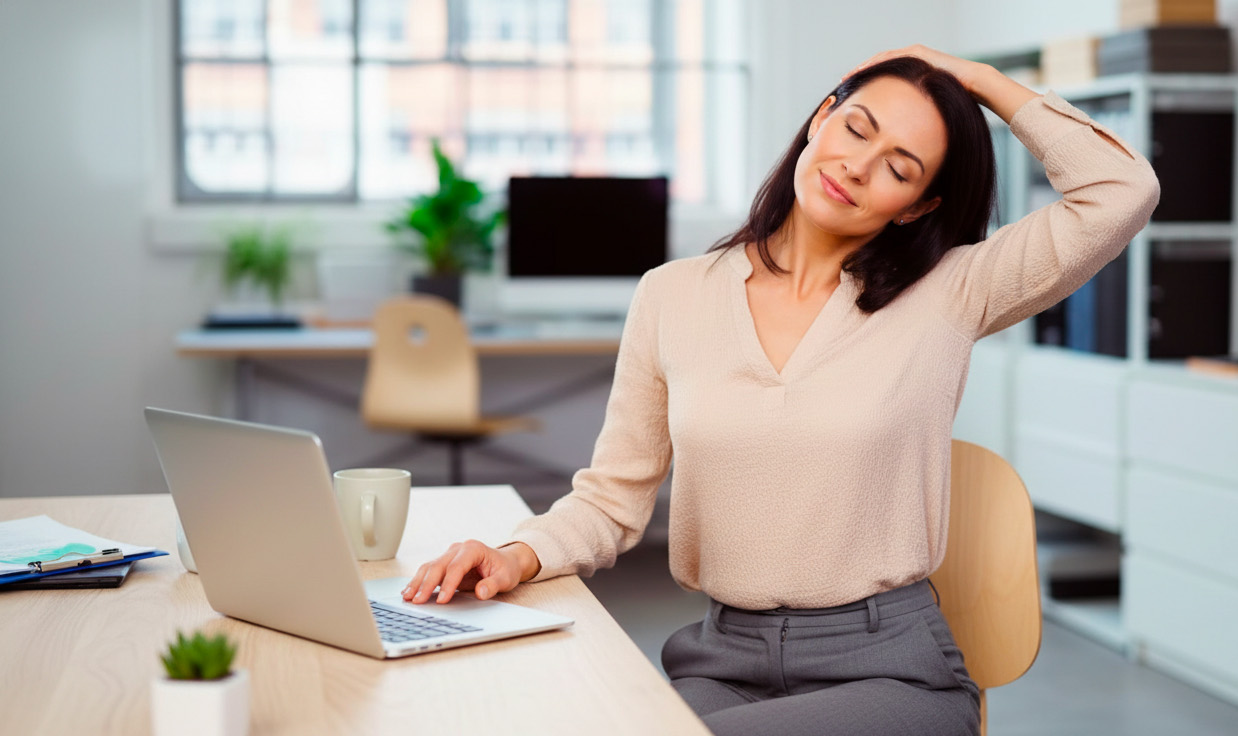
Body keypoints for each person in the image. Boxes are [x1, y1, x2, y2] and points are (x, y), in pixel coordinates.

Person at [402, 44, 1160, 736]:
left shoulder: (953, 291)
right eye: (856, 128)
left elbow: (1122, 190)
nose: (858, 167)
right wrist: (517, 555)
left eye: (899, 168)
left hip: (889, 671)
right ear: (820, 118)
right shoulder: (672, 295)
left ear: (918, 206)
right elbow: (612, 499)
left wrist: (978, 80)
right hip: (722, 662)